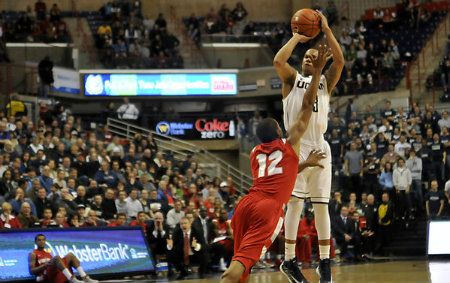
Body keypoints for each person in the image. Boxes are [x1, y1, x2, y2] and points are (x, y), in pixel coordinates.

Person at [220, 43, 330, 283]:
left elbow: (280, 176)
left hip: (245, 204)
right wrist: (319, 71)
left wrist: (306, 163)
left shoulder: (255, 154)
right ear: (279, 131)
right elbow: (307, 106)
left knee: (241, 262)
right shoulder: (289, 145)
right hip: (266, 209)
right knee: (237, 268)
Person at [274, 10, 344, 283]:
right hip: (297, 146)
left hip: (321, 147)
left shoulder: (325, 82)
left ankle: (324, 262)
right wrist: (296, 37)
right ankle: (289, 260)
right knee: (295, 205)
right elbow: (279, 60)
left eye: (314, 57)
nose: (309, 59)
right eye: (306, 56)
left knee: (322, 206)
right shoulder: (292, 80)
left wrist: (326, 29)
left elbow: (339, 60)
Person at [29, 234, 98, 283]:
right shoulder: (33, 254)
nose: (42, 241)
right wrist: (44, 265)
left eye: (43, 240)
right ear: (36, 242)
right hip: (45, 276)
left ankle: (85, 277)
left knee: (70, 255)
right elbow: (31, 271)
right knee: (57, 257)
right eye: (39, 240)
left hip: (56, 274)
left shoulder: (48, 253)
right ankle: (71, 279)